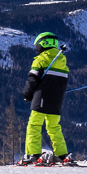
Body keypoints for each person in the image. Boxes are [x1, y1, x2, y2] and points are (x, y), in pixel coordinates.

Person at [20, 32, 77, 166]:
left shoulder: (40, 59)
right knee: (54, 126)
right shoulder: (62, 60)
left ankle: (33, 154)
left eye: (37, 44)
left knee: (34, 125)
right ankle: (61, 154)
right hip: (57, 99)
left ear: (43, 44)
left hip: (41, 97)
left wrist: (27, 94)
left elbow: (33, 80)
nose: (36, 47)